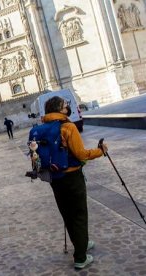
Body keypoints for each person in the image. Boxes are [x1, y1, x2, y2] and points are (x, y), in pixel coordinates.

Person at [43, 96, 108, 269]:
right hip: (72, 177)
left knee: (68, 214)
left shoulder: (43, 127)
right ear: (59, 109)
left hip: (55, 179)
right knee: (79, 214)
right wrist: (100, 151)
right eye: (66, 106)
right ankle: (80, 257)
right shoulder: (68, 127)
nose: (68, 108)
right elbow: (81, 154)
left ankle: (82, 243)